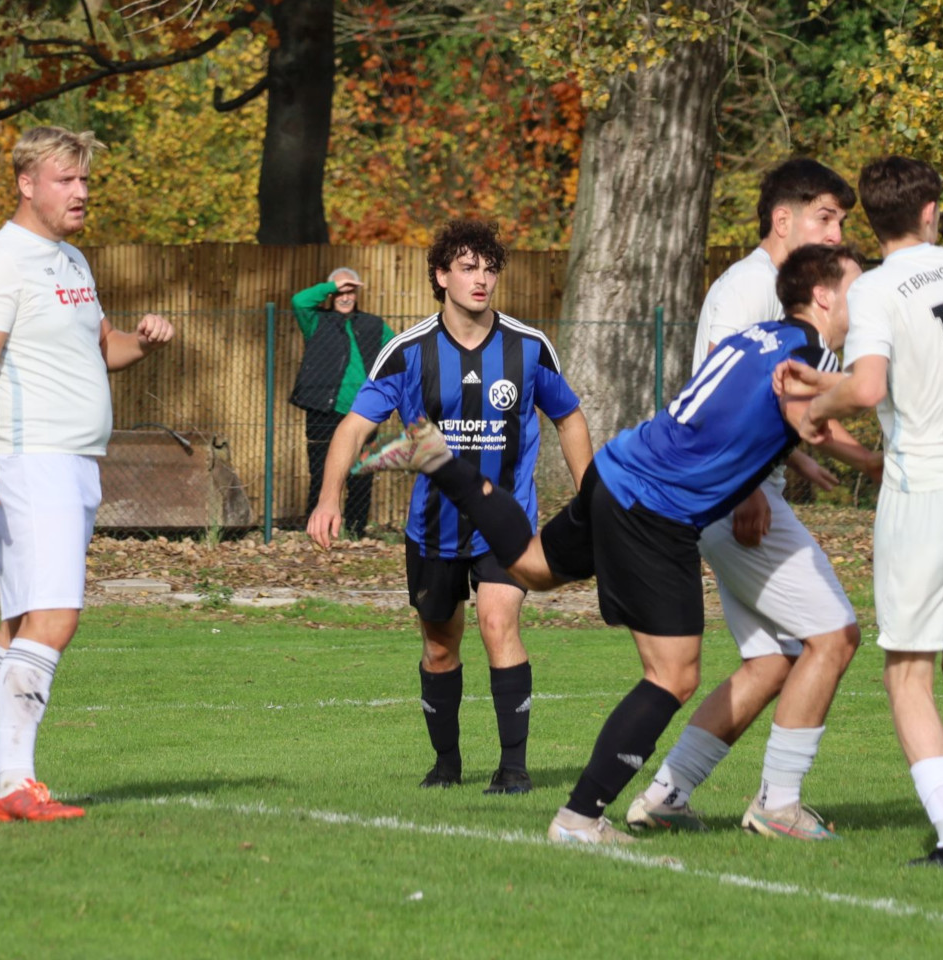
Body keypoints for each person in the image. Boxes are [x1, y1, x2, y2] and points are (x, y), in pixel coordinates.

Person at [354, 245, 862, 845]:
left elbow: (759, 413)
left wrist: (822, 451)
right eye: (857, 287)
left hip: (618, 467)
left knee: (532, 567)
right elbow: (824, 406)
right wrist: (870, 398)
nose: (866, 301)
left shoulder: (763, 337)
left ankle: (440, 459)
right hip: (655, 508)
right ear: (823, 296)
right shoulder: (808, 354)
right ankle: (579, 818)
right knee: (673, 675)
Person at [775, 158, 943, 871]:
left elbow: (871, 387)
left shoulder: (875, 288)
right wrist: (830, 381)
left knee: (907, 673)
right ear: (930, 211)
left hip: (927, 491)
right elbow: (917, 366)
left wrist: (816, 407)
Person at [626, 158, 880, 841]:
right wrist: (748, 487)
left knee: (774, 660)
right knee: (835, 636)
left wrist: (796, 455)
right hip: (735, 496)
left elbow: (771, 397)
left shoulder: (785, 295)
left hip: (733, 493)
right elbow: (719, 399)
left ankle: (667, 794)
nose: (836, 233)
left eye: (840, 221)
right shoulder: (749, 288)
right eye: (826, 218)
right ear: (783, 219)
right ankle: (778, 802)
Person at [306, 219, 590, 795]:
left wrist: (593, 501)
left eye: (489, 268)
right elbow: (355, 426)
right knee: (439, 647)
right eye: (467, 268)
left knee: (497, 622)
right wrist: (329, 496)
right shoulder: (407, 351)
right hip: (433, 528)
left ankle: (514, 770)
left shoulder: (528, 347)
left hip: (506, 523)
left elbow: (569, 417)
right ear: (441, 276)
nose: (481, 279)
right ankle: (446, 764)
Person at [0, 126, 177, 822]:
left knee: (18, 623)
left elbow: (102, 347)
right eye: (66, 180)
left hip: (72, 461)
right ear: (26, 184)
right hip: (31, 460)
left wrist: (142, 341)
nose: (80, 192)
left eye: (84, 180)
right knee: (54, 617)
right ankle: (17, 782)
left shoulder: (71, 259)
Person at [291, 267, 395, 539]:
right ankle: (318, 528)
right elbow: (299, 301)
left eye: (350, 291)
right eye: (340, 292)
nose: (345, 297)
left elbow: (396, 352)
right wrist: (333, 286)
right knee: (320, 471)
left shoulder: (373, 325)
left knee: (361, 473)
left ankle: (355, 530)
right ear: (330, 294)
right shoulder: (316, 321)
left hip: (363, 412)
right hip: (323, 408)